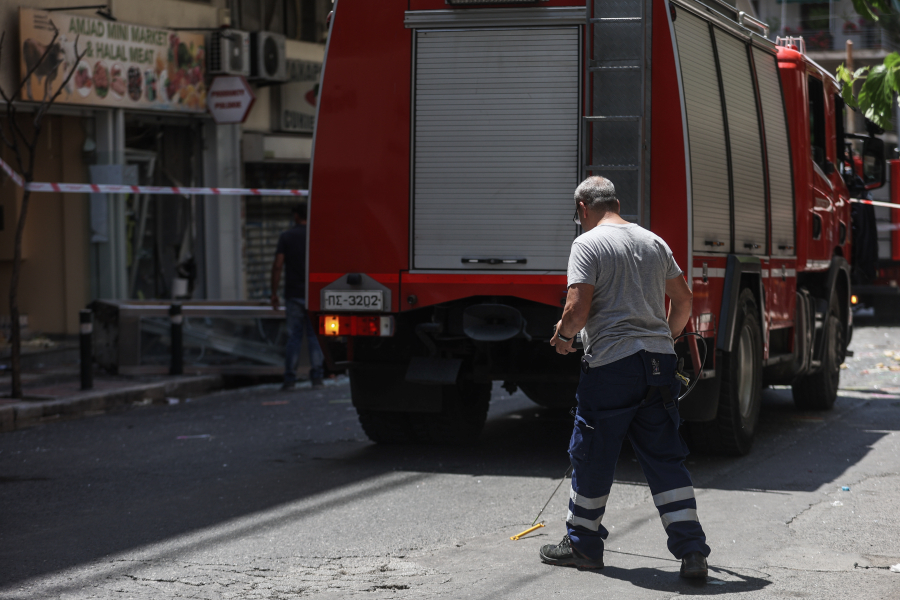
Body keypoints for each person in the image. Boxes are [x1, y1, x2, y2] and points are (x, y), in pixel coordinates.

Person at [540, 176, 710, 579]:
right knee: (665, 457)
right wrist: (661, 339)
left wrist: (563, 338)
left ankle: (583, 546)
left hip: (612, 366)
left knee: (593, 453)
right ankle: (692, 552)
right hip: (658, 365)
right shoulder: (653, 242)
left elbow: (578, 308)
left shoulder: (588, 243)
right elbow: (684, 301)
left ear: (583, 208)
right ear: (616, 202)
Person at [271, 204, 325, 390]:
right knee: (314, 336)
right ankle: (317, 377)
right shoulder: (316, 237)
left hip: (293, 294)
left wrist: (273, 293)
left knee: (293, 337)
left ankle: (290, 379)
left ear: (295, 216)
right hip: (313, 294)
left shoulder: (287, 237)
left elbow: (278, 265)